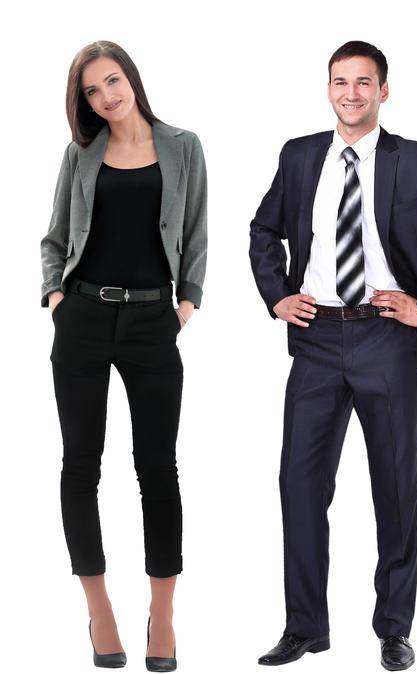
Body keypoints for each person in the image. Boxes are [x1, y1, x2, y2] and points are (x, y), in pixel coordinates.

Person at [246, 40, 417, 672]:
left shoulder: (415, 162)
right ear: (327, 89)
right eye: (340, 82)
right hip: (315, 339)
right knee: (299, 486)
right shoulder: (301, 156)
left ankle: (393, 627)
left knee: (394, 484)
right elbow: (262, 231)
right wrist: (278, 295)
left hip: (386, 337)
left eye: (364, 83)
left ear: (384, 91)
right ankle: (304, 627)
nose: (351, 93)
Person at [41, 39, 206, 673]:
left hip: (150, 320)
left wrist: (185, 301)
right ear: (84, 102)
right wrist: (57, 296)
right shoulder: (80, 155)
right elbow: (55, 237)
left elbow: (197, 232)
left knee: (157, 469)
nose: (106, 96)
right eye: (92, 91)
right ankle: (99, 606)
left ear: (130, 79)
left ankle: (161, 611)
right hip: (81, 318)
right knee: (80, 466)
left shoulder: (183, 147)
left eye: (112, 81)